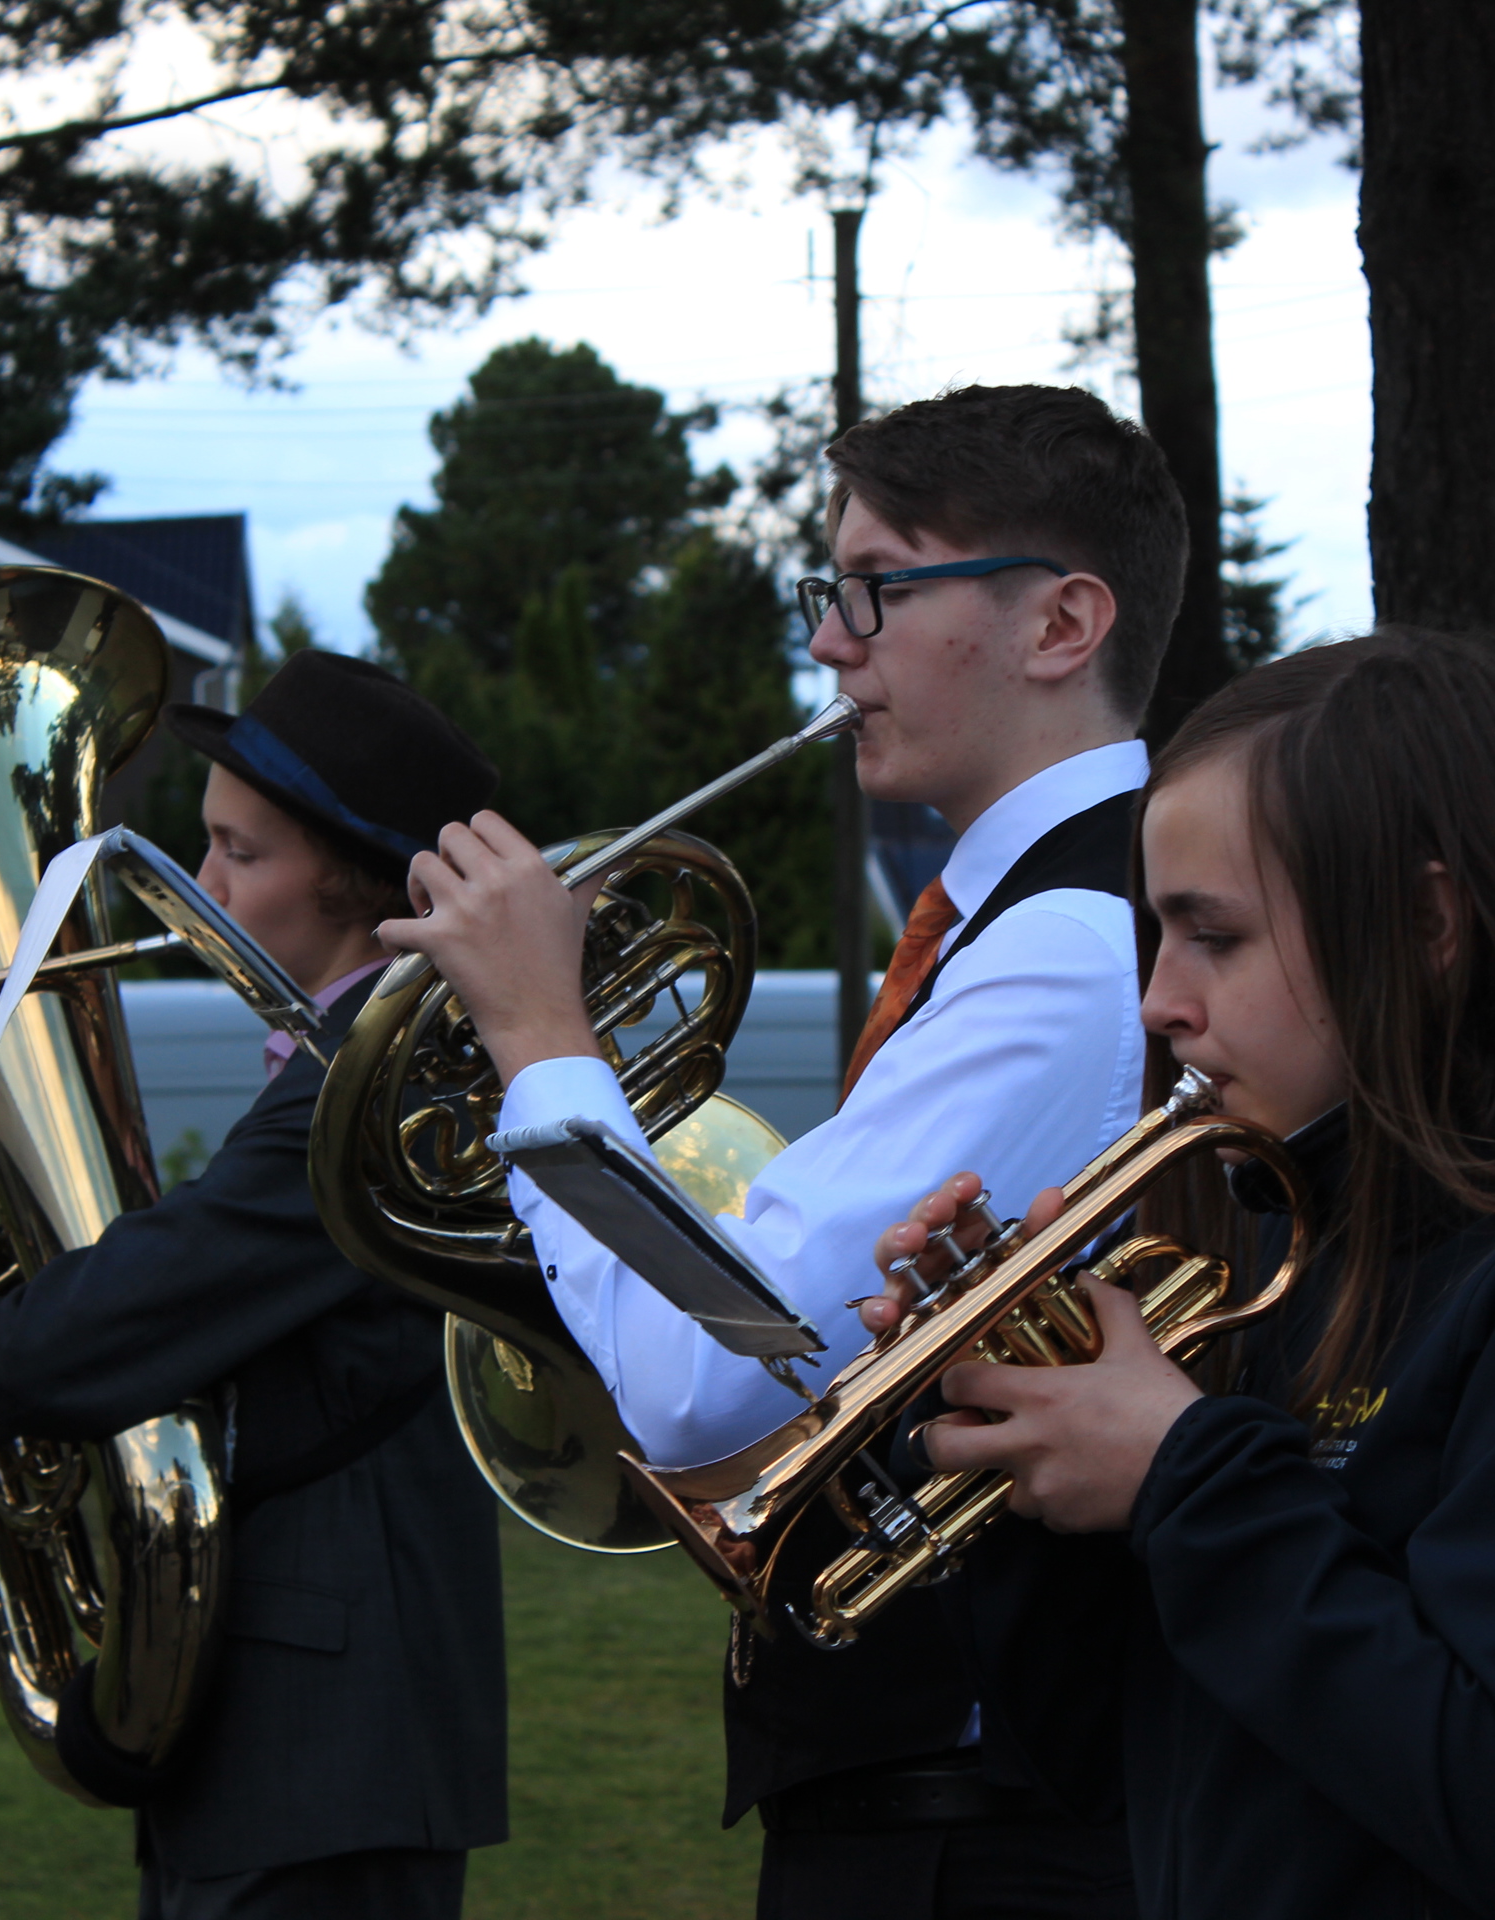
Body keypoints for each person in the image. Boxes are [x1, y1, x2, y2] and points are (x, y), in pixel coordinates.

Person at [381, 383, 1187, 1920]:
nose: (829, 641)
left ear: (1062, 624)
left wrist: (542, 1035)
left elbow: (715, 1380)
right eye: (832, 589)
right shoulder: (1034, 918)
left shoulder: (1065, 947)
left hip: (980, 1827)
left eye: (878, 589)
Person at [868, 628, 1495, 1917]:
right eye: (1159, 935)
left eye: (1215, 936)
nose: (1158, 1001)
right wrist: (1020, 1436)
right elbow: (1104, 1765)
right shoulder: (1276, 1241)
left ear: (1426, 925)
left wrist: (1183, 1473)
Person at [0, 651, 509, 1920]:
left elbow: (150, 1299)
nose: (202, 885)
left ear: (357, 884)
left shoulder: (370, 1093)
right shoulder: (358, 1065)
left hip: (331, 1748)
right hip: (306, 1742)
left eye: (240, 853)